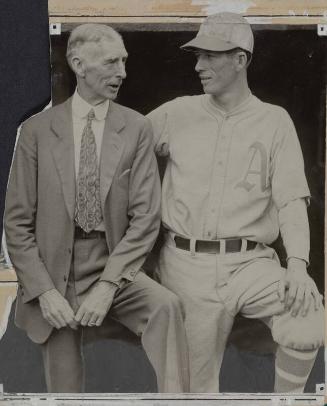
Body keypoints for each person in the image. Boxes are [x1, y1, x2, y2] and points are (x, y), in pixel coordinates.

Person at [4, 23, 189, 393]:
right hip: (56, 271)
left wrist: (108, 285)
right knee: (65, 388)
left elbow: (146, 219)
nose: (121, 72)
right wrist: (44, 292)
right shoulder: (36, 131)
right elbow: (17, 223)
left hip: (114, 264)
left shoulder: (135, 128)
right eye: (111, 62)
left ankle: (178, 402)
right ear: (78, 63)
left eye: (123, 61)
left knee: (166, 307)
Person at [148, 12, 324, 393]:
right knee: (191, 394)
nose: (199, 65)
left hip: (250, 265)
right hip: (185, 266)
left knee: (309, 319)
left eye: (210, 55)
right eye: (197, 56)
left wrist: (297, 265)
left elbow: (292, 200)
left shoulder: (274, 121)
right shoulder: (176, 112)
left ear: (240, 59)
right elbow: (121, 150)